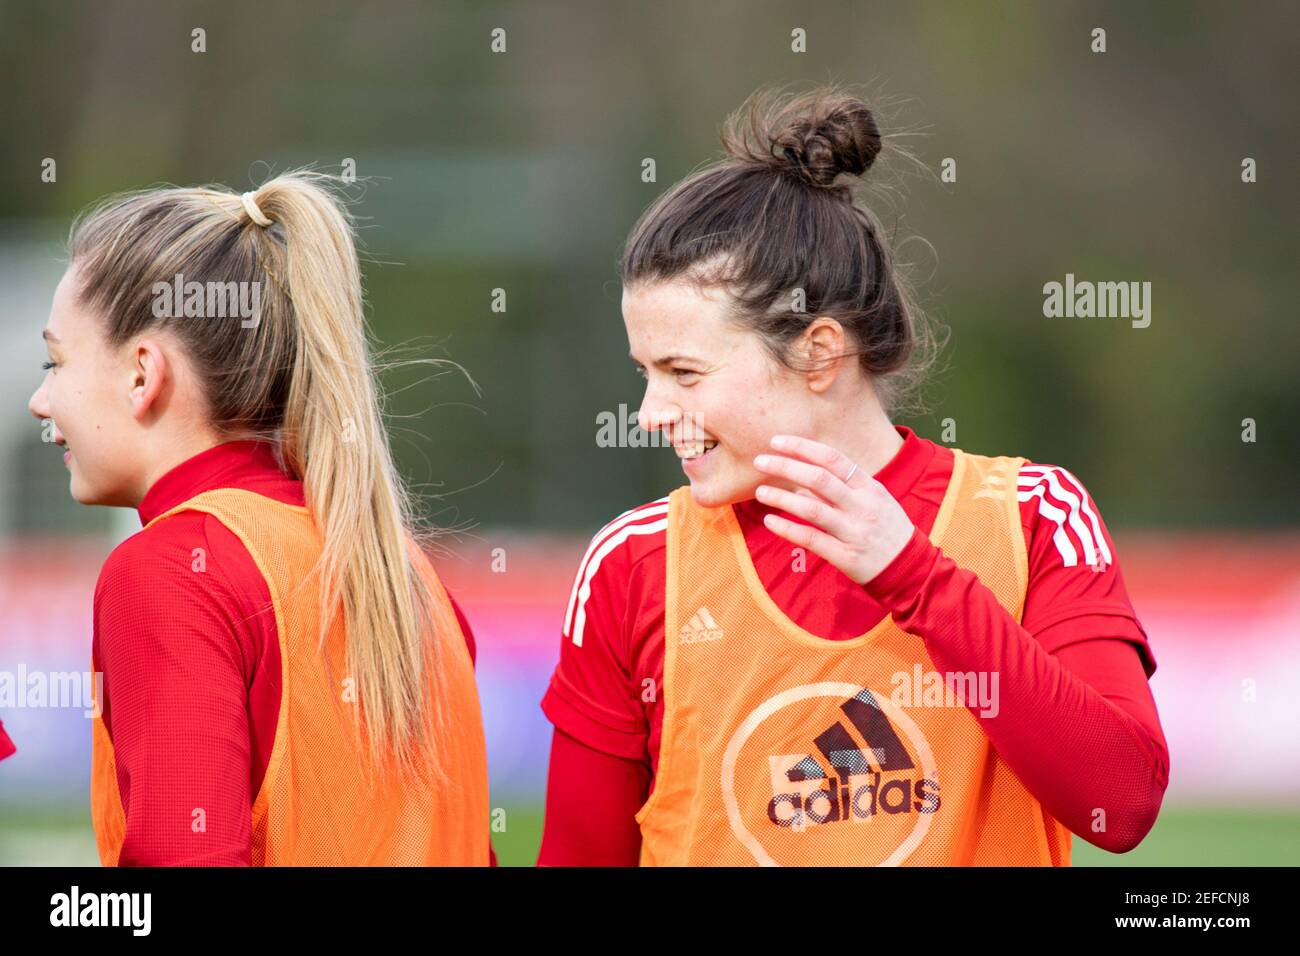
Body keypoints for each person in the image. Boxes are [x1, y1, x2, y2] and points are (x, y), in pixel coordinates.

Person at [538, 87, 1169, 866]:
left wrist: (917, 580)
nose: (649, 412)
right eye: (644, 372)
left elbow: (1123, 804)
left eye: (683, 372)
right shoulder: (632, 566)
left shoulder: (1033, 515)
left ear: (820, 352)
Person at [28, 171, 493, 865]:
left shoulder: (174, 569)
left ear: (141, 374)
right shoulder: (404, 570)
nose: (41, 400)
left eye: (55, 361)